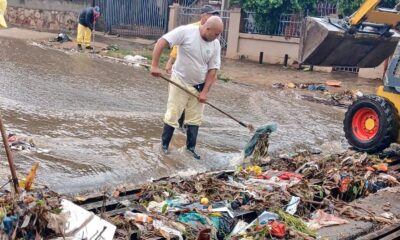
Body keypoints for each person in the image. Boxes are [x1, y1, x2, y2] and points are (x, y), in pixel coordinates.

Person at [151, 16, 224, 160]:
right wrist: (154, 65)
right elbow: (162, 42)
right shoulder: (186, 32)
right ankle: (164, 147)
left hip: (199, 86)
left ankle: (190, 149)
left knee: (195, 118)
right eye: (216, 34)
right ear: (207, 28)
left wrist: (205, 91)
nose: (218, 37)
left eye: (219, 34)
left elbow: (213, 70)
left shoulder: (215, 44)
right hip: (180, 81)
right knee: (173, 113)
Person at [165, 5, 220, 130]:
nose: (213, 17)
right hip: (183, 76)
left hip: (200, 78)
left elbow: (213, 62)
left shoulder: (213, 35)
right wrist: (170, 61)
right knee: (178, 104)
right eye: (211, 15)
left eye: (215, 15)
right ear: (203, 15)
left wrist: (207, 87)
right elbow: (176, 47)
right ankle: (177, 125)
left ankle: (185, 128)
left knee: (193, 109)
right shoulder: (191, 29)